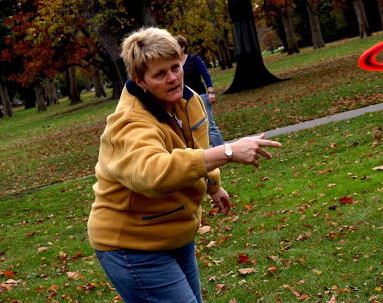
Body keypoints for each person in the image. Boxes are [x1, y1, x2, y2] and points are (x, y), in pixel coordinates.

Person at [87, 27, 282, 303]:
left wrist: (214, 186)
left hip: (175, 233)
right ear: (139, 80)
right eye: (160, 74)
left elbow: (196, 149)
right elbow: (154, 173)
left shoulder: (188, 100)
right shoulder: (128, 125)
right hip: (131, 245)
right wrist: (228, 151)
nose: (173, 78)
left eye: (175, 67)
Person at [174, 35, 225, 147]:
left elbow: (205, 75)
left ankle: (222, 151)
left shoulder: (193, 59)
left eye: (175, 46)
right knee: (191, 129)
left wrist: (211, 92)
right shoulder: (173, 64)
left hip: (200, 96)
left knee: (209, 125)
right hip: (183, 100)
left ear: (182, 47)